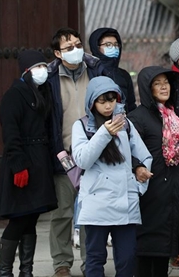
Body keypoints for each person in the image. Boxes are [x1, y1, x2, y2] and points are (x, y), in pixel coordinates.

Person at [72, 76, 153, 277]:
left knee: (127, 259)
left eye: (112, 99)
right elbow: (82, 160)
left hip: (125, 203)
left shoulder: (125, 124)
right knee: (95, 258)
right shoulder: (81, 126)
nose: (108, 106)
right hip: (96, 204)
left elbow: (144, 155)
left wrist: (139, 177)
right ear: (92, 102)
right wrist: (104, 133)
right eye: (102, 101)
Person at [47, 27, 112, 277]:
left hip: (95, 151)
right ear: (57, 53)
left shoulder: (96, 69)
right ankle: (61, 263)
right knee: (62, 212)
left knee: (90, 212)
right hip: (64, 153)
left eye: (77, 44)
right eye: (68, 47)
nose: (75, 50)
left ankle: (91, 262)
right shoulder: (50, 77)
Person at [0, 51, 58, 277]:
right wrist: (18, 165)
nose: (43, 71)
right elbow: (10, 134)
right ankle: (4, 271)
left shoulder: (42, 92)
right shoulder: (14, 95)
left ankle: (26, 271)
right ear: (26, 71)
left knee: (31, 217)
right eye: (37, 67)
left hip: (40, 162)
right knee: (19, 218)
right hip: (22, 163)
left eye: (44, 66)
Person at [128, 67, 179, 277]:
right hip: (150, 191)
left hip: (173, 187)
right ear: (147, 88)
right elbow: (127, 150)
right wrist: (137, 167)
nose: (164, 87)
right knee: (146, 249)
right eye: (157, 83)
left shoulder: (176, 115)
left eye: (166, 82)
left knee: (164, 250)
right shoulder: (138, 117)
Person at [88, 27, 137, 112]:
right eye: (108, 45)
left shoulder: (124, 75)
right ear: (97, 47)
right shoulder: (89, 73)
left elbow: (131, 105)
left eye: (116, 44)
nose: (114, 48)